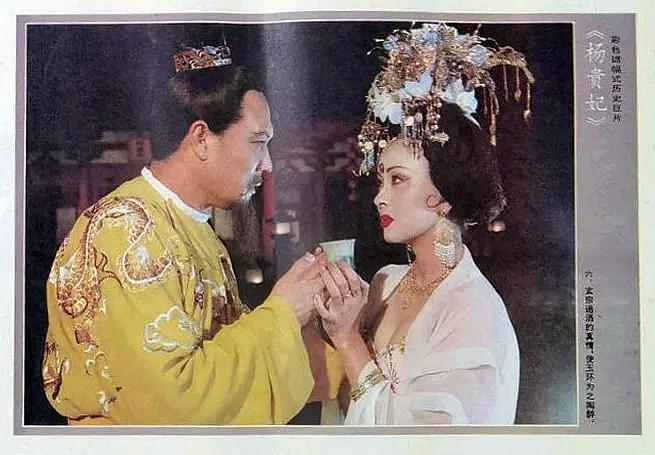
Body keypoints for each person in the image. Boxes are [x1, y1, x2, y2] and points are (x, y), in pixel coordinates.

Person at [42, 44, 328, 425]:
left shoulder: (192, 229)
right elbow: (172, 401)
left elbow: (228, 352)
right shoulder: (126, 229)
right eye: (258, 142)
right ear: (201, 138)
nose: (268, 164)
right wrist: (283, 312)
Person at [314, 23, 533, 425]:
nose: (379, 196)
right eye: (380, 179)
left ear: (444, 194)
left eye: (398, 180)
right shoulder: (385, 282)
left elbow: (424, 437)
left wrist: (347, 338)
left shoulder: (473, 310)